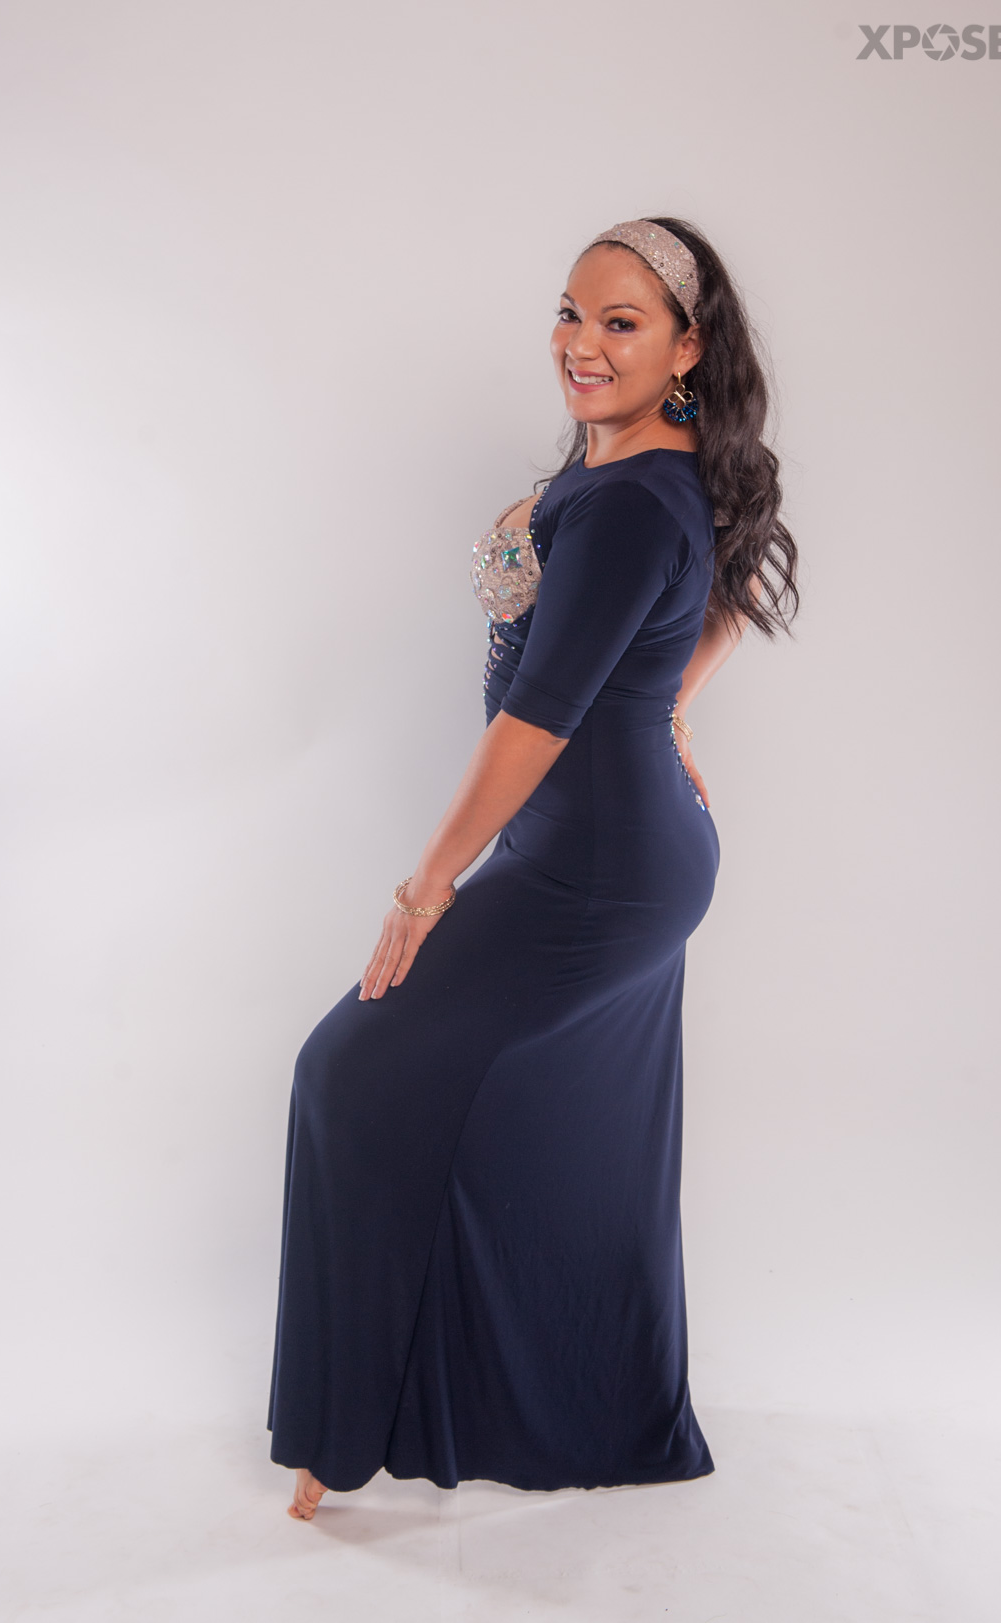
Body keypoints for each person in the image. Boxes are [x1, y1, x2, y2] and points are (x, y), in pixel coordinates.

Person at [267, 217, 799, 1520]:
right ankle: (543, 1397)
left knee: (349, 1071)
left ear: (688, 347)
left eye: (621, 322)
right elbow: (721, 593)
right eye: (570, 312)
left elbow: (536, 720)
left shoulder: (632, 501)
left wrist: (425, 888)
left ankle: (350, 1420)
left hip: (600, 873)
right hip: (610, 851)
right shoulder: (639, 470)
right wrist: (672, 705)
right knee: (543, 1129)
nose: (581, 344)